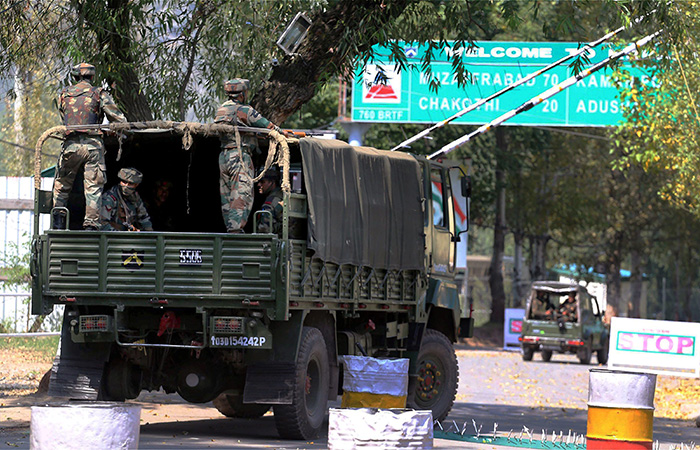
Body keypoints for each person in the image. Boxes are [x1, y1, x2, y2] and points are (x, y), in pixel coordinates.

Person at [53, 62, 127, 230]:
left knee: (62, 185)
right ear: (92, 76)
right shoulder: (98, 93)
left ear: (74, 76)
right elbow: (118, 119)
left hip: (70, 146)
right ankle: (91, 225)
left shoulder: (64, 94)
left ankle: (58, 223)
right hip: (93, 146)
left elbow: (64, 118)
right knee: (93, 187)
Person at [214, 78, 285, 233]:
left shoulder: (221, 110)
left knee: (227, 196)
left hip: (223, 156)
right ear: (242, 94)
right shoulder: (245, 110)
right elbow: (268, 125)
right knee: (241, 194)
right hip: (239, 155)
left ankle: (230, 228)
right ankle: (235, 232)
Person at [256, 167, 283, 235]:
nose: (259, 185)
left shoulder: (271, 202)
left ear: (271, 183)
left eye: (262, 182)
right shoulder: (283, 195)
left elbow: (264, 230)